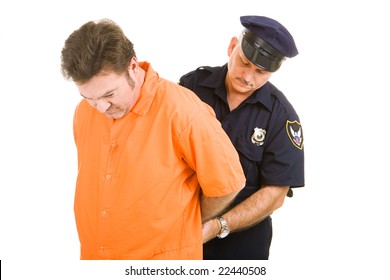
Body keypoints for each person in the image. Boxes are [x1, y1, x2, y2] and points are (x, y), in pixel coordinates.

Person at [60, 19, 246, 260]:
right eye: (89, 97)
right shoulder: (84, 112)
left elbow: (227, 183)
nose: (101, 107)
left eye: (109, 94)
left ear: (133, 67)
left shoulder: (183, 110)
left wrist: (184, 223)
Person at [179, 15, 305, 260]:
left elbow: (275, 193)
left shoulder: (281, 116)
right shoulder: (191, 86)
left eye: (261, 72)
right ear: (231, 46)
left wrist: (218, 226)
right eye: (245, 63)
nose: (248, 78)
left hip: (240, 247)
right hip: (175, 230)